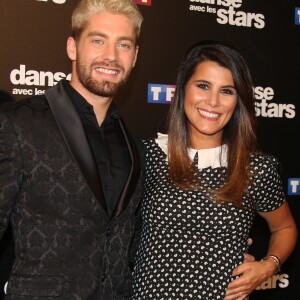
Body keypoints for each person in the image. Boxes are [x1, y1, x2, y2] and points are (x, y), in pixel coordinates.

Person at [0, 0, 144, 299]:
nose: (111, 56)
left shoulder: (133, 146)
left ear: (134, 57)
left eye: (124, 45)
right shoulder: (18, 123)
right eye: (97, 40)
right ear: (72, 47)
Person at [133, 40, 298, 300]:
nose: (213, 102)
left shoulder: (255, 169)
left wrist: (268, 265)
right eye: (203, 86)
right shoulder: (147, 156)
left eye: (227, 91)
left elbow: (285, 228)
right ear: (183, 90)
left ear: (238, 101)